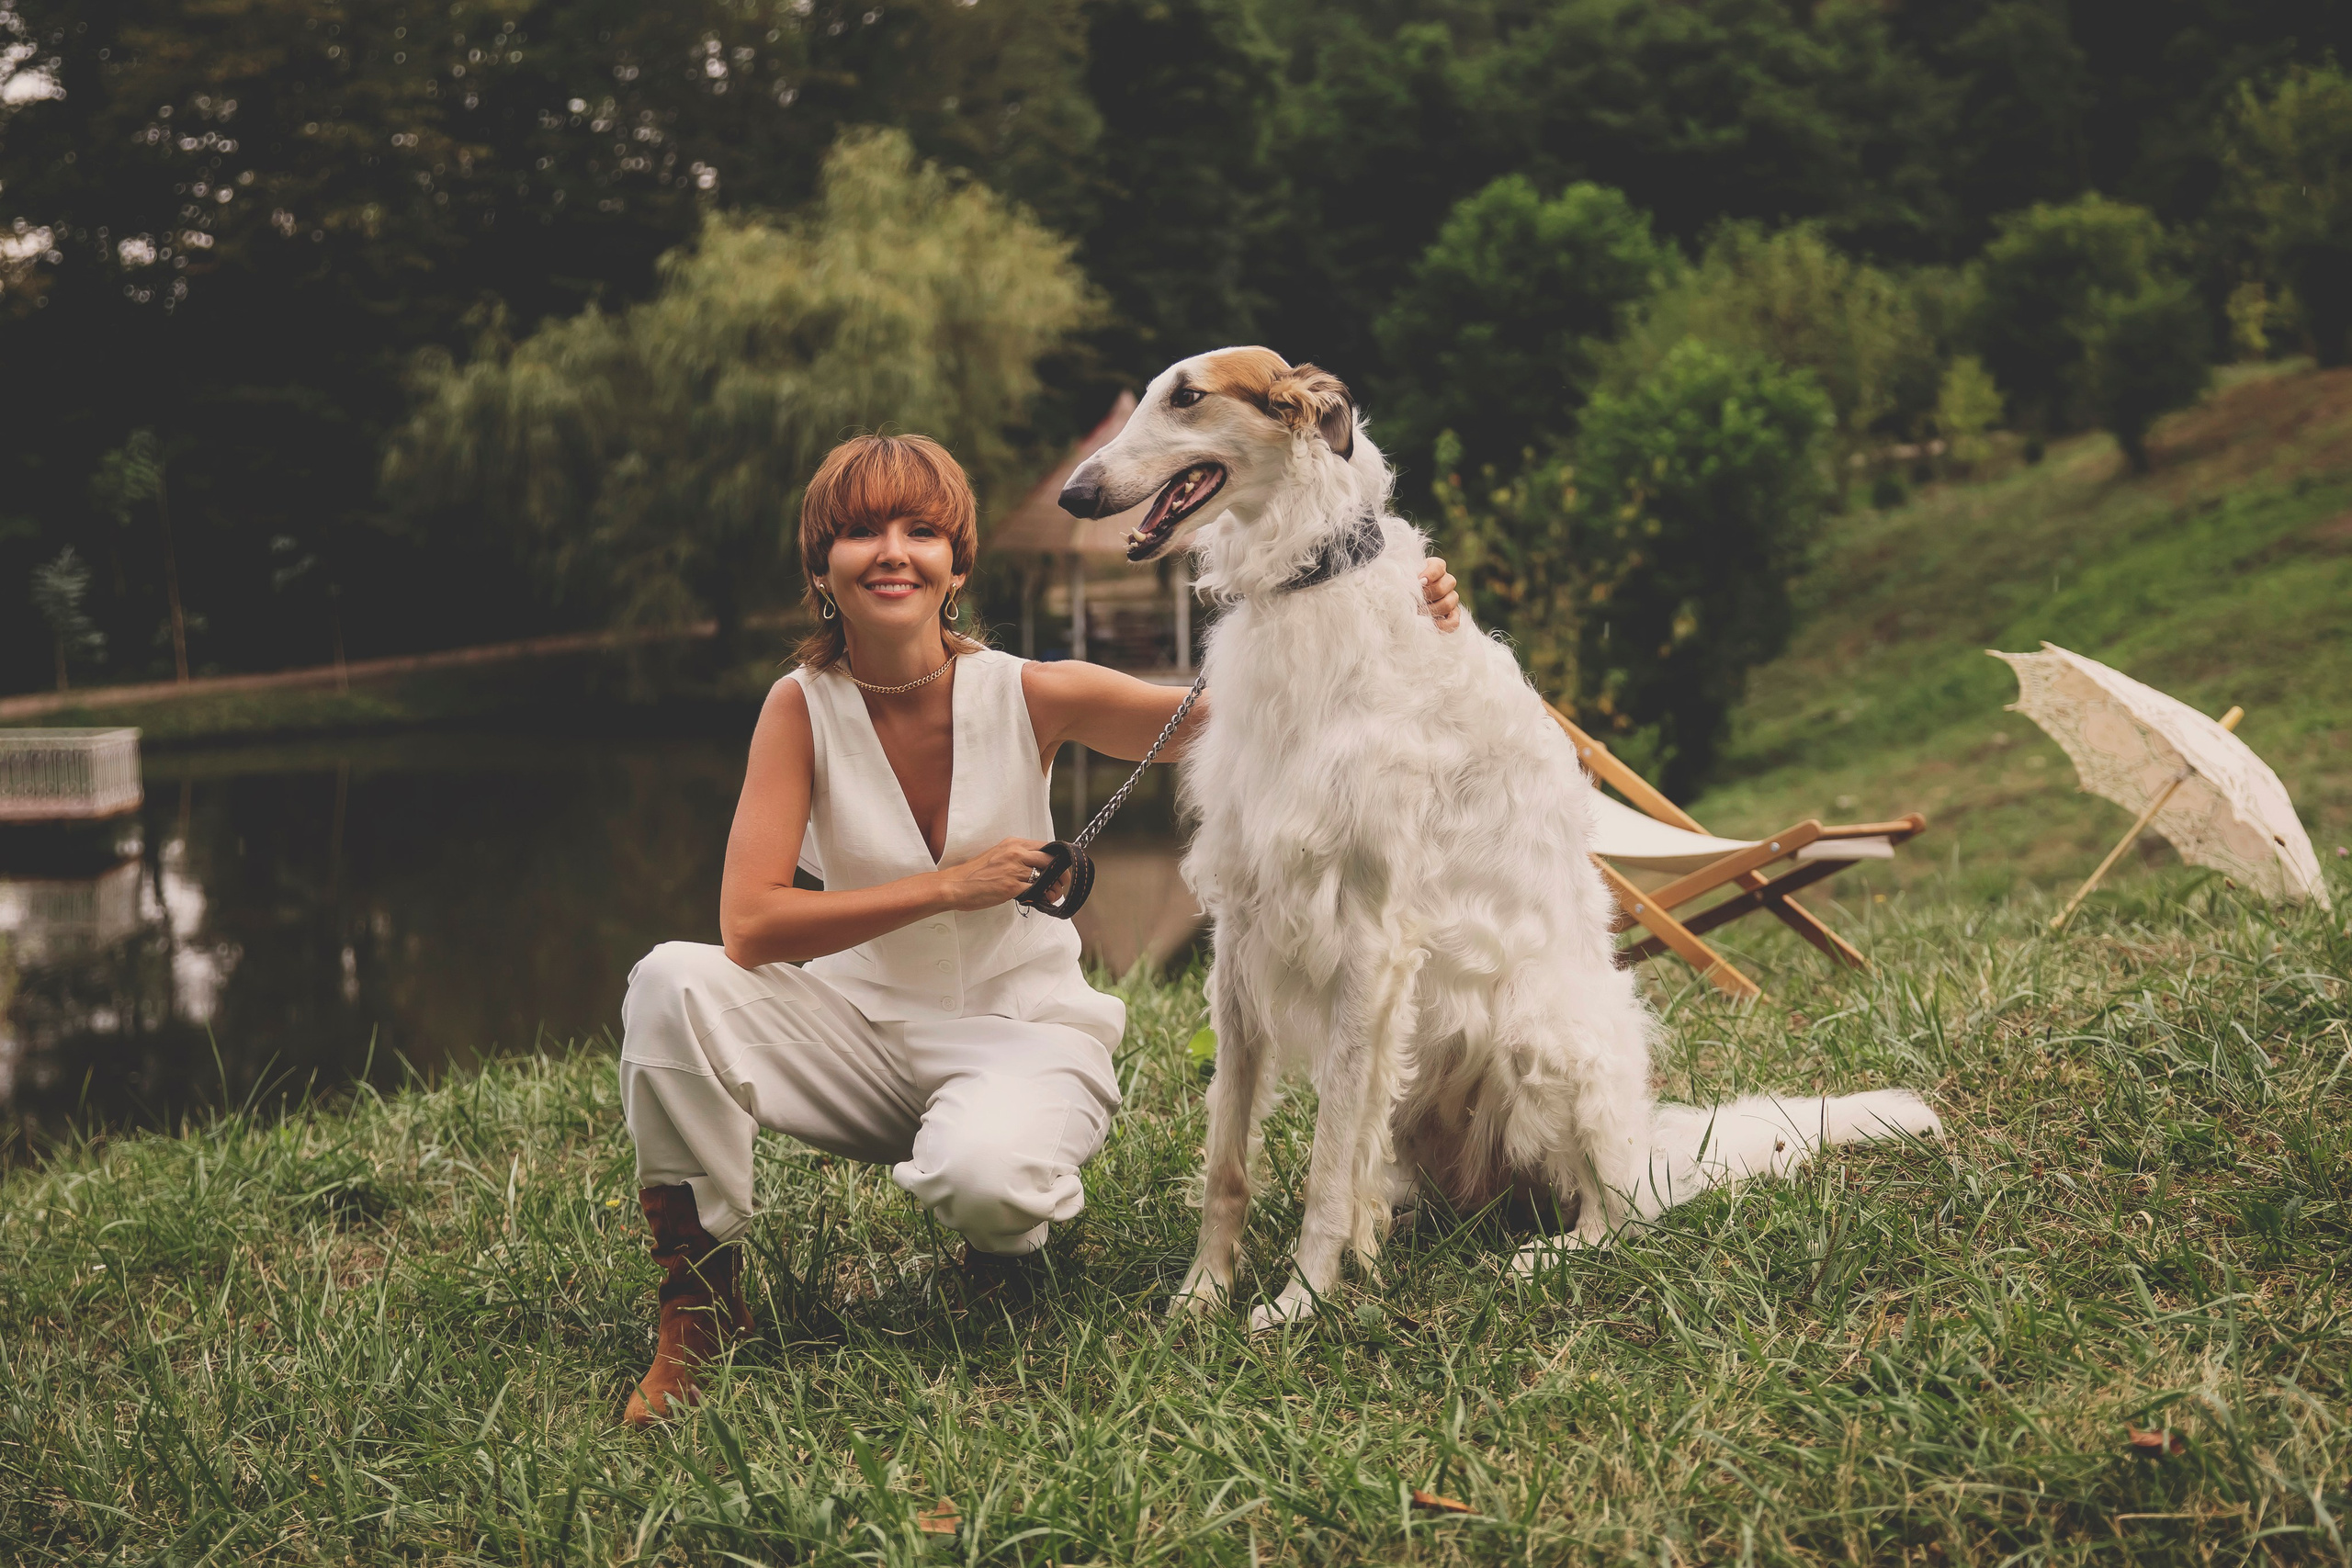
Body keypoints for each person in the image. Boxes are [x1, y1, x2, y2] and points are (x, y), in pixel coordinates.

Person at [616, 433, 1461, 1427]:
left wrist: (1397, 616)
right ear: (821, 568)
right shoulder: (796, 709)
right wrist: (947, 887)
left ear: (957, 564)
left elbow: (1236, 712)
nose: (891, 551)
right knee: (671, 978)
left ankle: (1001, 1247)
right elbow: (751, 925)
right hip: (855, 1039)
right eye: (857, 532)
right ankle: (702, 1303)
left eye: (919, 530)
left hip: (1022, 1039)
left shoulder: (1027, 690)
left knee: (986, 1181)